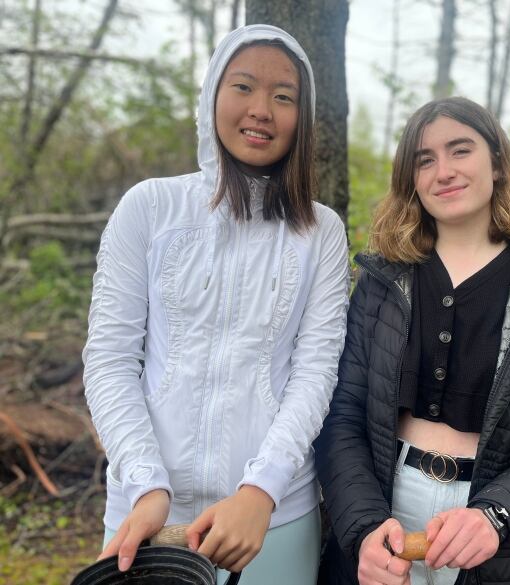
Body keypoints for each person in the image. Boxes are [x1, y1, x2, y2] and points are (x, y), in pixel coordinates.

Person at [82, 25, 350, 585]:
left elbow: (316, 371)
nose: (262, 110)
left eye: (284, 97)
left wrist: (259, 492)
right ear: (212, 95)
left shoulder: (320, 231)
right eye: (243, 87)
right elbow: (109, 359)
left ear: (303, 117)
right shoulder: (149, 208)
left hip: (270, 520)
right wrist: (147, 485)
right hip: (145, 515)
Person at [314, 97, 510, 585]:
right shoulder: (383, 280)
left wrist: (497, 516)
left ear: (497, 161)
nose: (443, 171)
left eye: (460, 150)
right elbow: (341, 414)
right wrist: (362, 526)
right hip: (384, 510)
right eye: (424, 160)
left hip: (490, 526)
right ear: (411, 180)